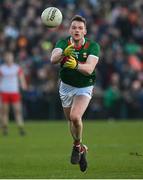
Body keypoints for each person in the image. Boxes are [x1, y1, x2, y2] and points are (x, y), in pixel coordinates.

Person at [51, 15, 100, 172]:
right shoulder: (63, 43)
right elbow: (53, 59)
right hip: (65, 87)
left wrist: (76, 64)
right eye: (74, 27)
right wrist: (63, 53)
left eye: (80, 28)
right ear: (69, 30)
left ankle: (76, 145)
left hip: (84, 87)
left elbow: (89, 69)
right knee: (71, 122)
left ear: (85, 31)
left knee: (75, 117)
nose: (77, 30)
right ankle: (81, 148)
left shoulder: (93, 46)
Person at [0, 51, 27, 136]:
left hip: (14, 92)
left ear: (12, 58)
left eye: (10, 57)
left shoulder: (16, 68)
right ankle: (5, 128)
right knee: (5, 111)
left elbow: (21, 78)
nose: (8, 58)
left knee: (17, 111)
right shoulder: (2, 68)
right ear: (5, 58)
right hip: (4, 92)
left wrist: (24, 85)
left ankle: (21, 127)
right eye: (7, 57)